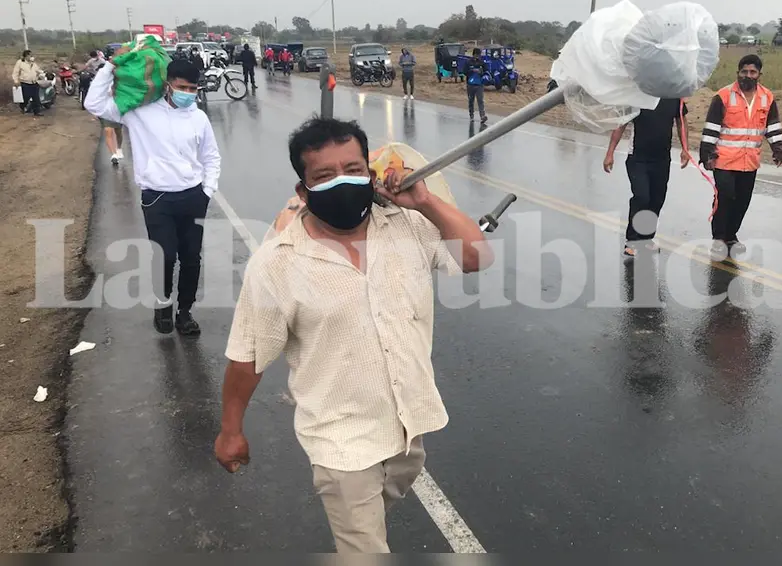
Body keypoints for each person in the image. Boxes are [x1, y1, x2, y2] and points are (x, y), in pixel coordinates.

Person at [214, 117, 493, 553]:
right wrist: (231, 430)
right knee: (364, 549)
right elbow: (248, 355)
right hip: (339, 440)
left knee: (380, 508)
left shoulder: (408, 225)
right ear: (303, 191)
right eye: (324, 176)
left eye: (353, 169)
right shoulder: (277, 265)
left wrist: (425, 202)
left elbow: (476, 258)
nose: (342, 181)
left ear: (371, 173)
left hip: (407, 424)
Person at [85, 52, 222, 335]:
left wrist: (207, 190)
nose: (188, 94)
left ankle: (185, 312)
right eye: (182, 87)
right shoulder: (140, 112)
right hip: (157, 198)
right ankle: (162, 304)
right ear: (168, 84)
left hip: (193, 197)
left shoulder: (198, 118)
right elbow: (94, 103)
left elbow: (211, 157)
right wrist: (110, 65)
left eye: (193, 89)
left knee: (191, 258)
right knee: (165, 256)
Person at [699, 54, 782, 258]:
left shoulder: (767, 97)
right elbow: (711, 127)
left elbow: (772, 126)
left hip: (750, 162)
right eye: (744, 72)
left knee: (742, 201)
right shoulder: (723, 96)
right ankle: (719, 237)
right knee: (726, 196)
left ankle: (731, 235)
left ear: (759, 75)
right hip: (724, 159)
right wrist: (707, 154)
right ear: (737, 73)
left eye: (753, 72)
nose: (748, 75)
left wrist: (778, 149)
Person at [603, 99, 691, 258]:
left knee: (657, 200)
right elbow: (621, 124)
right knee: (642, 197)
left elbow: (681, 122)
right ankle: (632, 240)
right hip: (638, 158)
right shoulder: (637, 96)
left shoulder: (673, 97)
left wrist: (685, 148)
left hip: (662, 159)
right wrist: (610, 153)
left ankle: (646, 238)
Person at [11, 50, 43, 116]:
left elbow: (37, 70)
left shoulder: (33, 63)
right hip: (25, 83)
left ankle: (37, 112)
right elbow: (15, 72)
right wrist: (16, 81)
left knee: (36, 98)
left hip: (34, 83)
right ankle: (22, 107)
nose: (31, 57)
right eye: (29, 55)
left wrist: (41, 73)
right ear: (25, 56)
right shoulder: (20, 62)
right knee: (26, 97)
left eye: (31, 55)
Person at [464, 47, 487, 124]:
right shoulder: (468, 62)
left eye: (479, 55)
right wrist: (472, 70)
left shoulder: (482, 62)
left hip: (480, 84)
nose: (477, 57)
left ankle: (482, 116)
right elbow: (464, 72)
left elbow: (486, 71)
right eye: (476, 55)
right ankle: (471, 116)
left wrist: (481, 72)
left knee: (480, 100)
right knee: (471, 101)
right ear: (473, 54)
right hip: (470, 85)